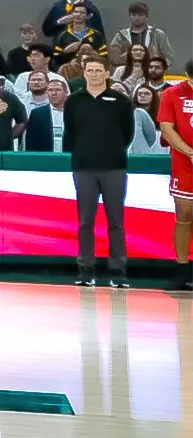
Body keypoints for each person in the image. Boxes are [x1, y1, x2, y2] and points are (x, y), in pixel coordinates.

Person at [64, 55, 135, 288]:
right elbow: (70, 133)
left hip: (114, 166)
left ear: (106, 73)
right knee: (85, 221)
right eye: (90, 70)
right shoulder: (74, 101)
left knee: (116, 221)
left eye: (98, 70)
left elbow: (127, 134)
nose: (93, 74)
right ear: (84, 73)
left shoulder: (121, 101)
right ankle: (86, 269)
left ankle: (118, 271)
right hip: (83, 166)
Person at [157, 64, 193, 292]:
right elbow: (167, 128)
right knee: (184, 216)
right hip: (184, 166)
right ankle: (182, 269)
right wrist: (190, 152)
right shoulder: (172, 94)